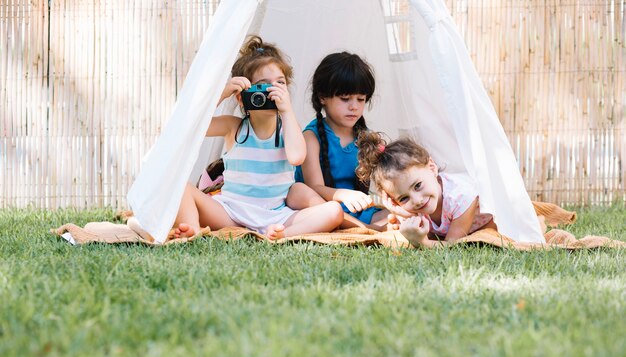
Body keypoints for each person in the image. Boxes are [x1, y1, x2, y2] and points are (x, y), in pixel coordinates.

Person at [172, 36, 343, 240]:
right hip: (231, 213)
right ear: (242, 96)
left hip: (276, 216)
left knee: (334, 211)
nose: (272, 92)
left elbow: (297, 158)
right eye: (263, 86)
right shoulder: (233, 126)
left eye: (279, 84)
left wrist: (287, 110)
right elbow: (192, 126)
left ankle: (282, 235)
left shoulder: (289, 127)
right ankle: (193, 232)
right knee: (179, 185)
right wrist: (223, 92)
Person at [293, 52, 389, 231]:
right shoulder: (311, 137)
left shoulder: (366, 137)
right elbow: (314, 187)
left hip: (359, 212)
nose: (354, 106)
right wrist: (342, 195)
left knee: (400, 213)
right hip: (321, 207)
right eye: (345, 99)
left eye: (360, 99)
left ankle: (363, 227)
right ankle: (366, 229)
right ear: (323, 97)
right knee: (304, 195)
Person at [356, 131, 497, 248]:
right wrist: (401, 213)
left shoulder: (462, 196)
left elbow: (453, 247)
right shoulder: (413, 205)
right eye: (403, 198)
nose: (417, 200)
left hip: (483, 226)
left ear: (431, 168)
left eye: (417, 185)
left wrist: (421, 242)